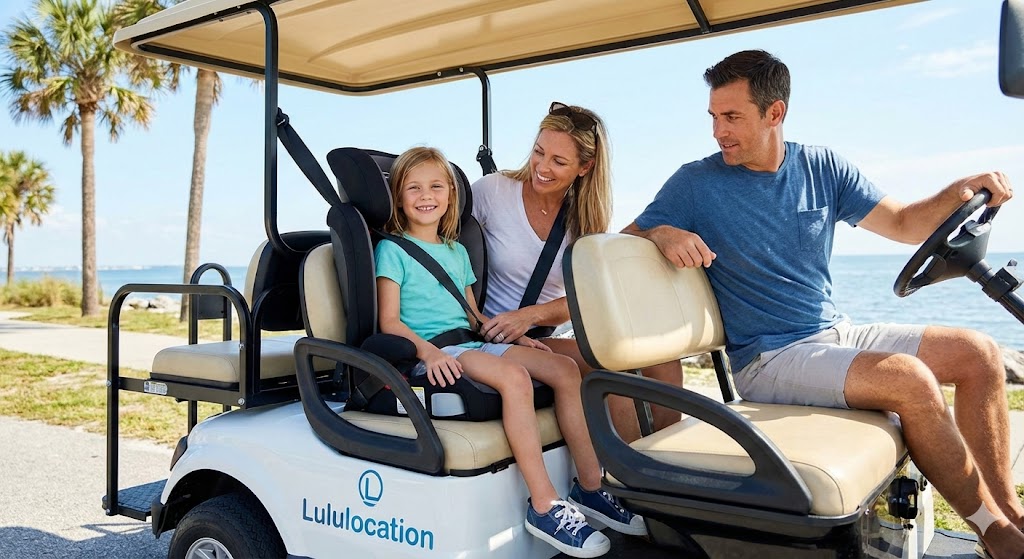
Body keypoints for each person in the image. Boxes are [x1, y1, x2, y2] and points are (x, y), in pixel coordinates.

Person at [623, 49, 1022, 559]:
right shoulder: (695, 183)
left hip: (835, 333)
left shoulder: (822, 166)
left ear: (775, 113)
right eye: (714, 117)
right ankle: (994, 532)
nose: (718, 132)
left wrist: (959, 190)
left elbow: (902, 223)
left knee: (979, 352)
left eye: (731, 117)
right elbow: (623, 242)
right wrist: (661, 231)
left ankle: (1008, 512)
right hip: (768, 358)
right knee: (909, 378)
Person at [375, 146, 646, 558]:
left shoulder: (456, 251)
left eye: (435, 186)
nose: (425, 195)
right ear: (398, 196)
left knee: (563, 369)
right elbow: (390, 323)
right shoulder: (392, 251)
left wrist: (511, 336)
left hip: (471, 341)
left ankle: (591, 487)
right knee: (515, 379)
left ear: (451, 194)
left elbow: (471, 313)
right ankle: (543, 505)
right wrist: (429, 354)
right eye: (413, 188)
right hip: (436, 353)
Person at [471, 102, 683, 443]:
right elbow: (447, 261)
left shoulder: (584, 219)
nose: (542, 166)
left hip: (545, 332)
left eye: (558, 161)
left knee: (664, 363)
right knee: (609, 370)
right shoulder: (491, 192)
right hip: (493, 332)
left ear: (585, 167)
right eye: (539, 152)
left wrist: (532, 315)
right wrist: (489, 321)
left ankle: (667, 459)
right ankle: (628, 479)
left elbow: (590, 294)